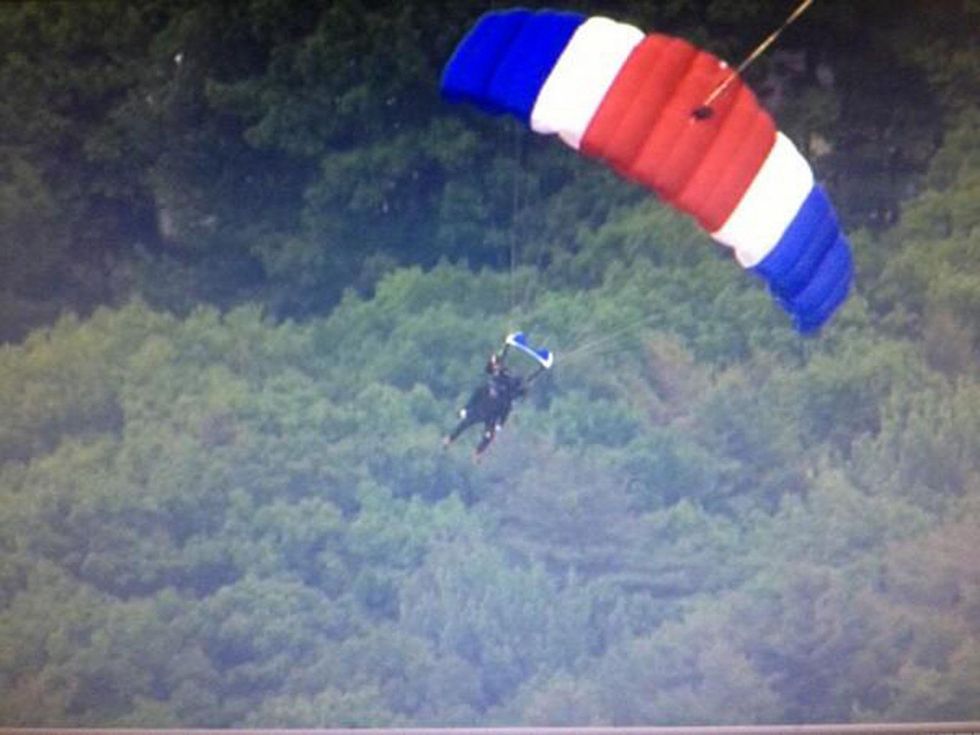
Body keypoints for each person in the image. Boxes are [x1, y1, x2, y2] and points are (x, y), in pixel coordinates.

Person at [443, 349, 528, 459]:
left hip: (493, 414)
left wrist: (500, 424)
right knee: (465, 423)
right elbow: (475, 396)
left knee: (488, 435)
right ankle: (450, 439)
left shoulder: (508, 388)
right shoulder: (489, 384)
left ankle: (478, 453)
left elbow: (506, 410)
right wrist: (466, 409)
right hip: (482, 408)